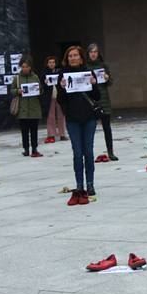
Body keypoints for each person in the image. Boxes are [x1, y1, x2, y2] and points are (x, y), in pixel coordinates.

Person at [57, 46, 100, 204]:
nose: (73, 58)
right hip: (73, 120)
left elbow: (97, 96)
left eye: (75, 55)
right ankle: (79, 185)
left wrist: (94, 83)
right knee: (77, 153)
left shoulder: (88, 72)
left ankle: (90, 184)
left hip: (89, 118)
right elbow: (61, 100)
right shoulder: (63, 74)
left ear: (81, 58)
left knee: (88, 152)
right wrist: (61, 87)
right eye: (70, 56)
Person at [87, 43, 118, 161]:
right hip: (91, 100)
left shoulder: (103, 65)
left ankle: (110, 152)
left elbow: (110, 82)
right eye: (91, 52)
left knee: (107, 127)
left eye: (95, 52)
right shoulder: (85, 67)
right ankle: (89, 153)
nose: (93, 54)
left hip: (104, 99)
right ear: (88, 54)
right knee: (90, 128)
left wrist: (107, 78)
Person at [11, 56, 43, 157]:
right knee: (24, 131)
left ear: (30, 67)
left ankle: (34, 148)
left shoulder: (35, 77)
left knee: (34, 131)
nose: (25, 69)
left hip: (34, 108)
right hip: (22, 109)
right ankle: (26, 149)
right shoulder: (17, 78)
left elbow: (41, 90)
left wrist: (38, 90)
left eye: (26, 66)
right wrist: (17, 91)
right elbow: (12, 90)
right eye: (23, 66)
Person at [42, 56, 68, 143]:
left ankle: (62, 134)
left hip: (59, 96)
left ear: (55, 63)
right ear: (47, 63)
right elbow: (41, 87)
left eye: (53, 62)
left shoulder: (60, 72)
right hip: (50, 97)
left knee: (61, 115)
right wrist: (45, 83)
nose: (51, 64)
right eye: (50, 62)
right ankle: (51, 135)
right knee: (51, 116)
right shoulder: (44, 73)